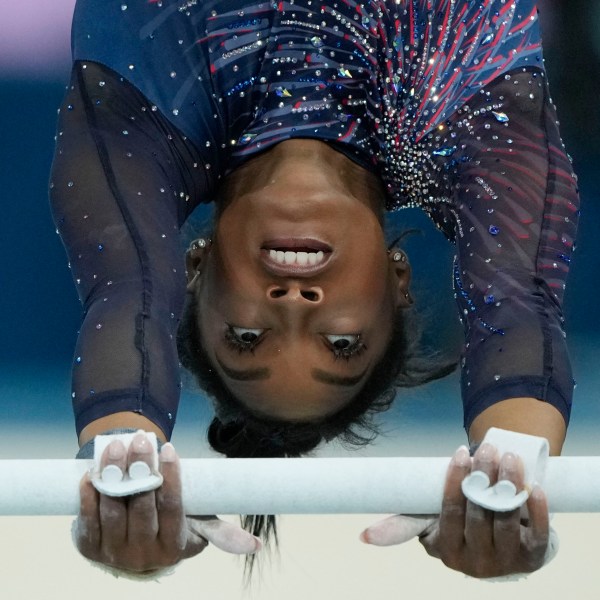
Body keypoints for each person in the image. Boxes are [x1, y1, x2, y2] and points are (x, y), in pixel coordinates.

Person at [49, 0, 579, 579]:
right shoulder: (463, 107)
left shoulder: (146, 109)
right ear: (398, 280)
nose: (296, 305)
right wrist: (514, 478)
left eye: (247, 337)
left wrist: (119, 473)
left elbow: (127, 292)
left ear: (192, 270)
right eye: (342, 344)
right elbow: (514, 302)